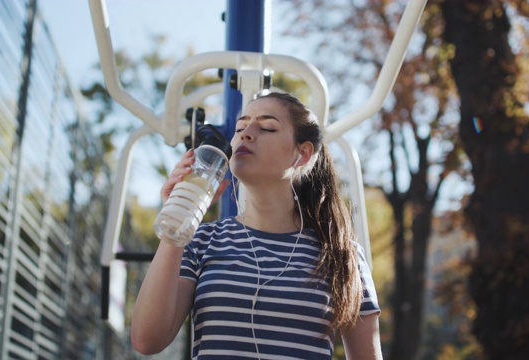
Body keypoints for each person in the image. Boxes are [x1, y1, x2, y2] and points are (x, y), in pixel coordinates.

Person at [131, 92, 382, 359]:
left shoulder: (342, 255)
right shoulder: (200, 240)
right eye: (240, 127)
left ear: (303, 153)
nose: (245, 134)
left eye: (267, 127)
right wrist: (176, 220)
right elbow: (147, 341)